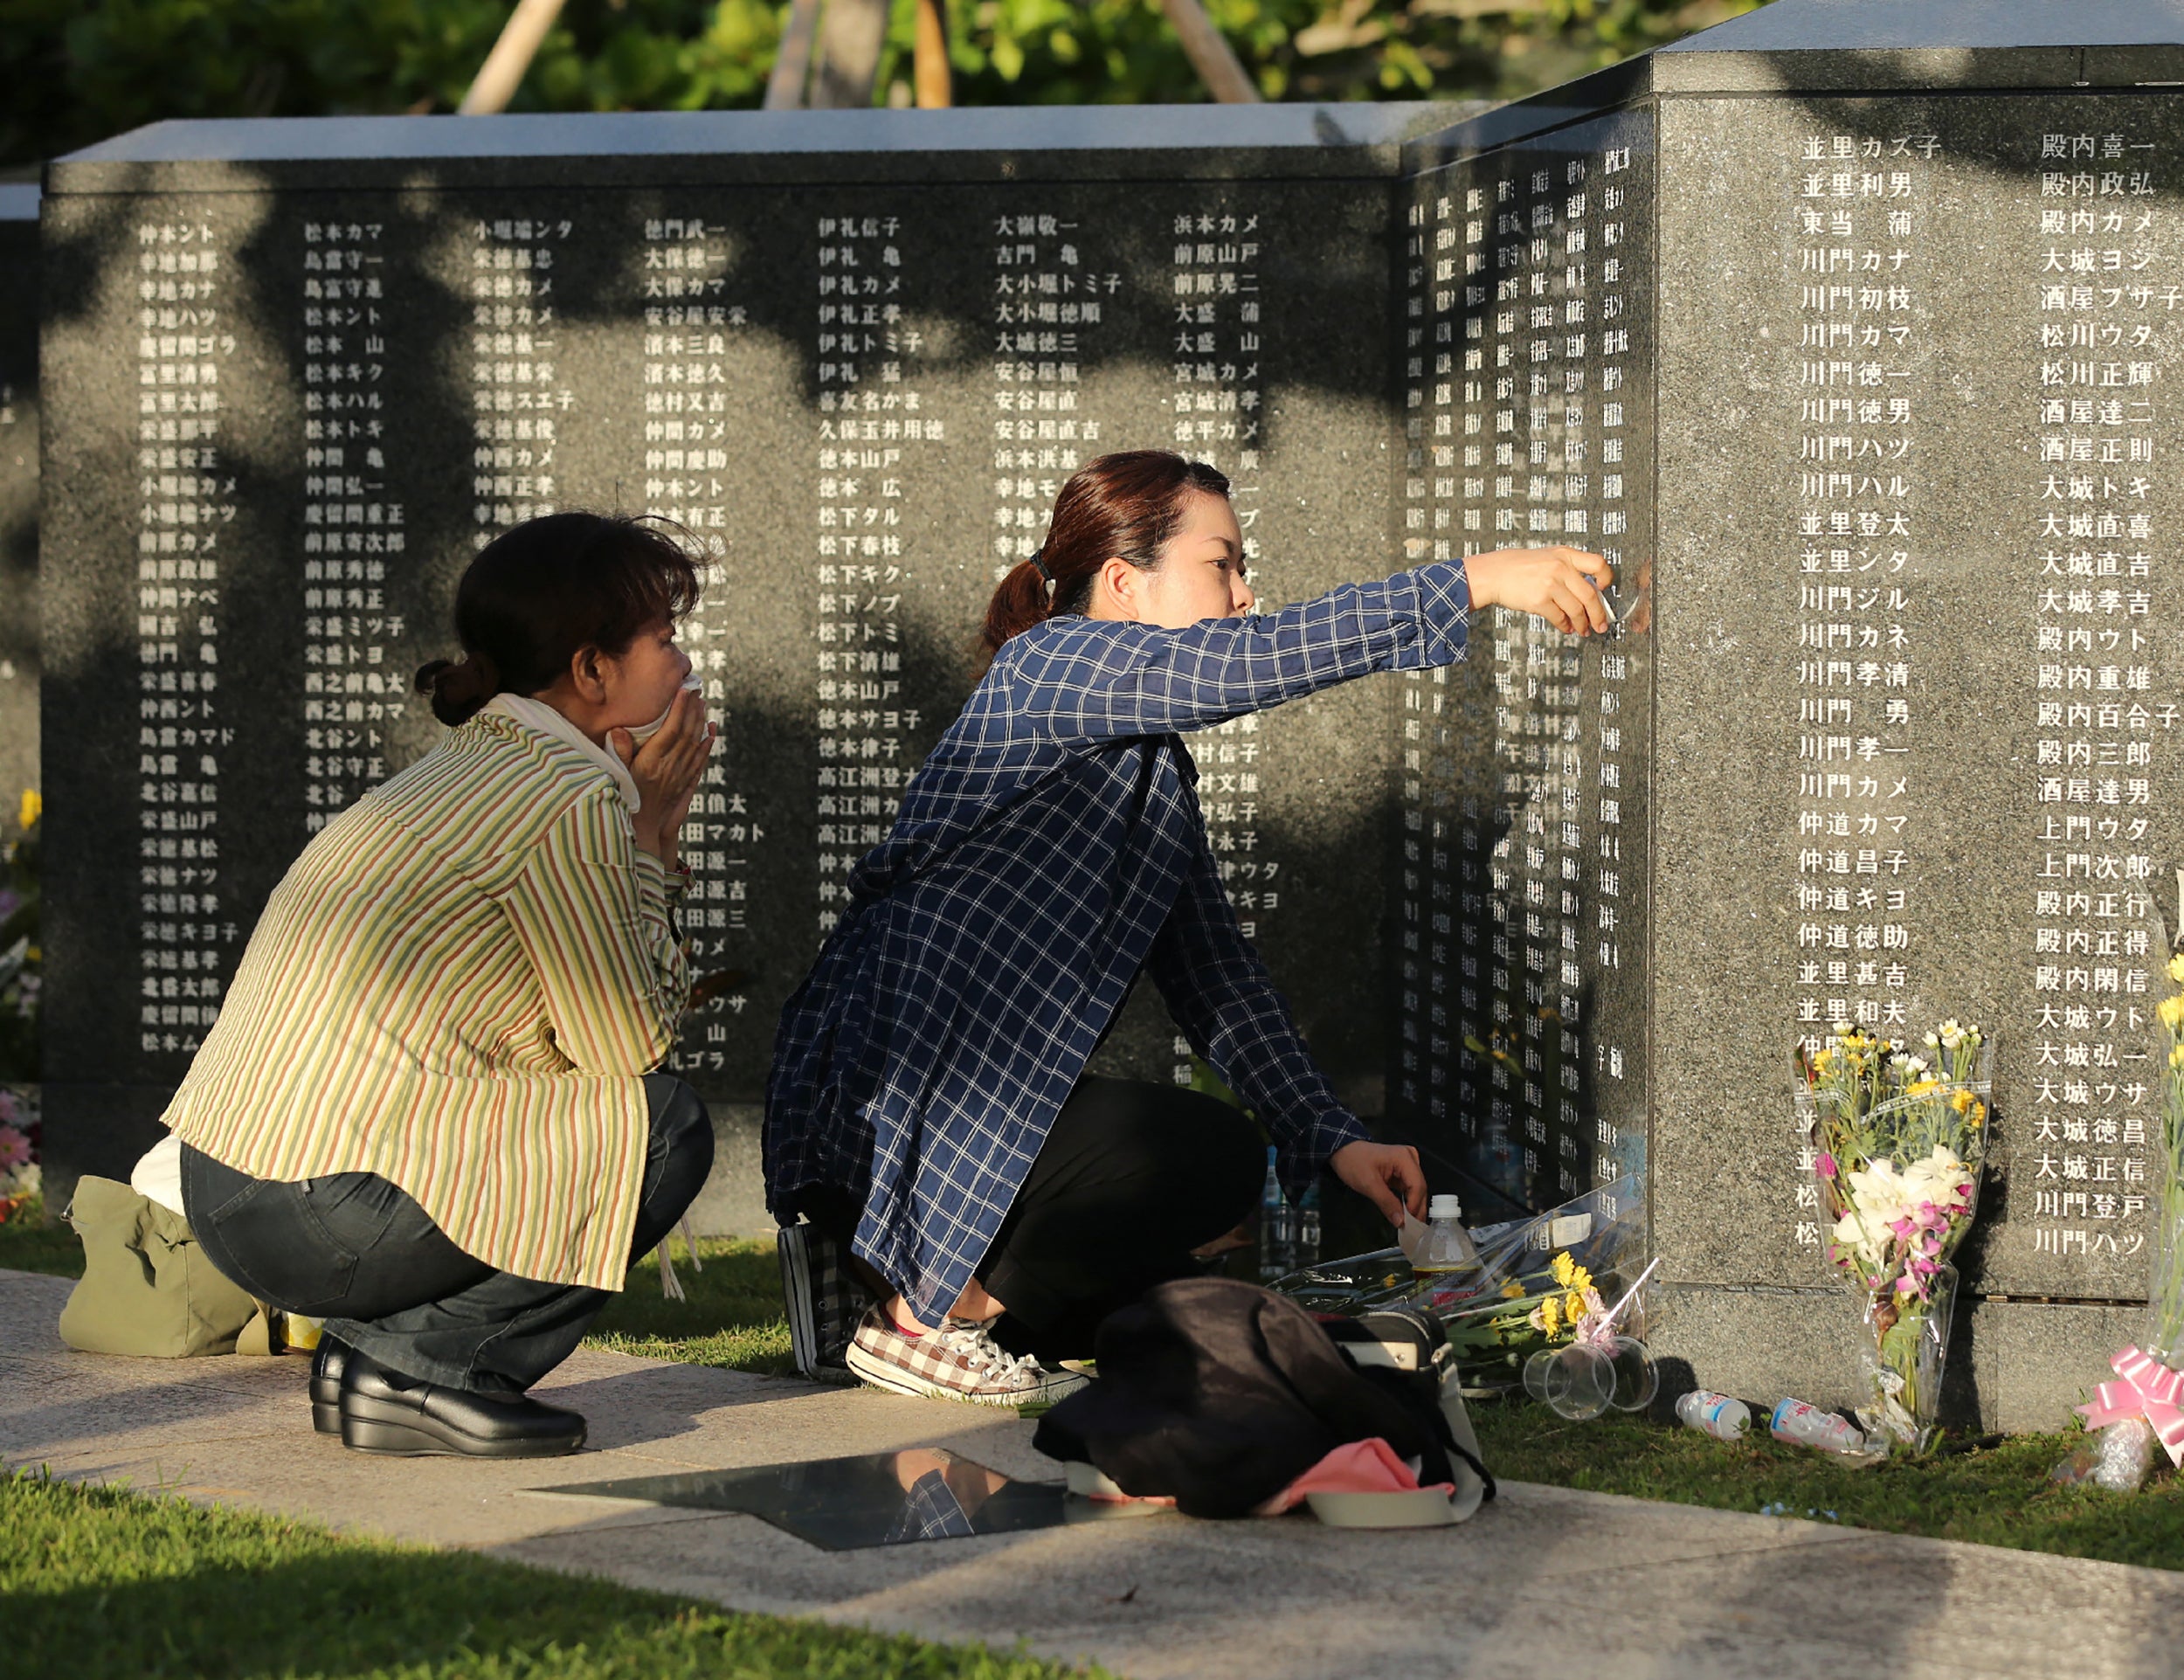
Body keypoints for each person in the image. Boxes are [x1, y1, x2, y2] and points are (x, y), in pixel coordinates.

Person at [765, 450, 1612, 1406]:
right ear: (1124, 583)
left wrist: (1332, 1138)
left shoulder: (1144, 764)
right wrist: (1473, 582)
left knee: (1176, 1302)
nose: (1244, 596)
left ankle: (874, 1281)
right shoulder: (1050, 664)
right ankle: (920, 1321)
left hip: (963, 1112)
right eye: (1223, 565)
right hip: (905, 1094)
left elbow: (1216, 976)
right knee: (1200, 1150)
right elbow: (1245, 662)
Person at [152, 513, 719, 1458]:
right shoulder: (565, 795)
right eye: (663, 638)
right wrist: (654, 840)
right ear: (591, 671)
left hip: (225, 1183)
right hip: (320, 1211)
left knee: (601, 1112)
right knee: (663, 1128)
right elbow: (629, 1045)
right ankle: (437, 1371)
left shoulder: (479, 762)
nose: (683, 661)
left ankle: (370, 1366)